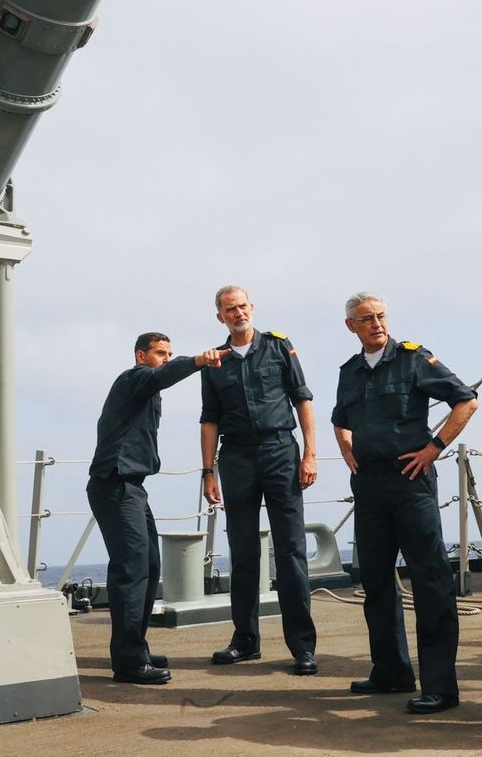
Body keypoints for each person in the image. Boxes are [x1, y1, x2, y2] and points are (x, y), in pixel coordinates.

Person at [332, 292, 477, 714]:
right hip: (369, 486)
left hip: (410, 482)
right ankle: (391, 671)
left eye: (380, 316)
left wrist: (434, 448)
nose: (376, 324)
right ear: (351, 327)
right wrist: (345, 447)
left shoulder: (413, 358)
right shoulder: (350, 371)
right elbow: (340, 418)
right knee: (375, 581)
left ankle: (440, 686)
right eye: (366, 319)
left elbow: (465, 400)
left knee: (430, 582)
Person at [87, 332, 225, 684]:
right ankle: (129, 663)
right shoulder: (135, 378)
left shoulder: (146, 389)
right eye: (160, 353)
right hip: (115, 483)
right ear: (141, 356)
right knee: (131, 571)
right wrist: (198, 361)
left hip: (133, 487)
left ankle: (136, 647)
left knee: (148, 565)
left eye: (170, 353)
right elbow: (162, 375)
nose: (165, 358)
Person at [199, 285, 320, 675]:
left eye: (242, 306)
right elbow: (209, 419)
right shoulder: (215, 362)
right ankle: (246, 640)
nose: (238, 313)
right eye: (229, 310)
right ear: (220, 317)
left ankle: (302, 647)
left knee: (290, 551)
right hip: (235, 457)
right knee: (244, 550)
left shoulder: (280, 347)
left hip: (280, 451)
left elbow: (302, 398)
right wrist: (208, 471)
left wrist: (310, 453)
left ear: (252, 308)